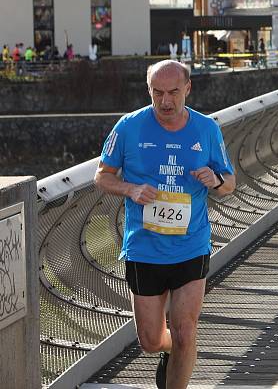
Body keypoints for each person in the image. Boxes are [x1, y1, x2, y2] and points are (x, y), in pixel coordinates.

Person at [94, 60, 236, 389]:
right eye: (157, 93)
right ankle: (168, 349)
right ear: (149, 92)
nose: (166, 101)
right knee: (150, 340)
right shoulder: (128, 127)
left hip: (191, 244)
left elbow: (230, 182)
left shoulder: (206, 129)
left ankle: (180, 356)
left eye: (173, 92)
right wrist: (131, 189)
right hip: (144, 248)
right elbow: (102, 176)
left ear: (188, 89)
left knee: (186, 332)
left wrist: (215, 180)